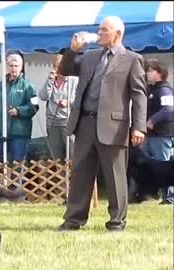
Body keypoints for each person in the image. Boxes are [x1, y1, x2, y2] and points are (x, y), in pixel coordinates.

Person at [57, 16, 147, 232]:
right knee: (80, 174)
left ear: (117, 34)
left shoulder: (132, 59)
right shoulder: (90, 56)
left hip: (114, 127)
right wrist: (72, 50)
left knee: (115, 177)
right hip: (85, 123)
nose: (99, 34)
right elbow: (66, 69)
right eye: (99, 30)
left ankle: (117, 222)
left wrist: (139, 126)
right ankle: (73, 220)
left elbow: (139, 94)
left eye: (104, 30)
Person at [0, 54, 37, 163]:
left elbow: (35, 106)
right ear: (7, 66)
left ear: (21, 67)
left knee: (17, 165)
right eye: (11, 65)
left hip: (20, 134)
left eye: (16, 66)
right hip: (0, 132)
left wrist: (19, 111)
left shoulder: (29, 86)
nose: (13, 68)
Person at [142, 59, 174, 204]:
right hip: (151, 136)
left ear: (160, 73)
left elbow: (168, 109)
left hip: (162, 135)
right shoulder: (151, 89)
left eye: (151, 71)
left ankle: (169, 197)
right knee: (151, 165)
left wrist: (152, 121)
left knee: (164, 165)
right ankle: (154, 192)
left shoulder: (164, 89)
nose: (147, 73)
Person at [39, 54, 78, 161]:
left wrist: (69, 102)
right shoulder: (51, 80)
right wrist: (49, 80)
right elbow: (43, 96)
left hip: (68, 122)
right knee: (56, 157)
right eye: (57, 66)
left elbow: (80, 98)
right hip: (52, 122)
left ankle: (72, 177)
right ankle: (59, 177)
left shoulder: (74, 80)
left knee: (72, 155)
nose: (60, 69)